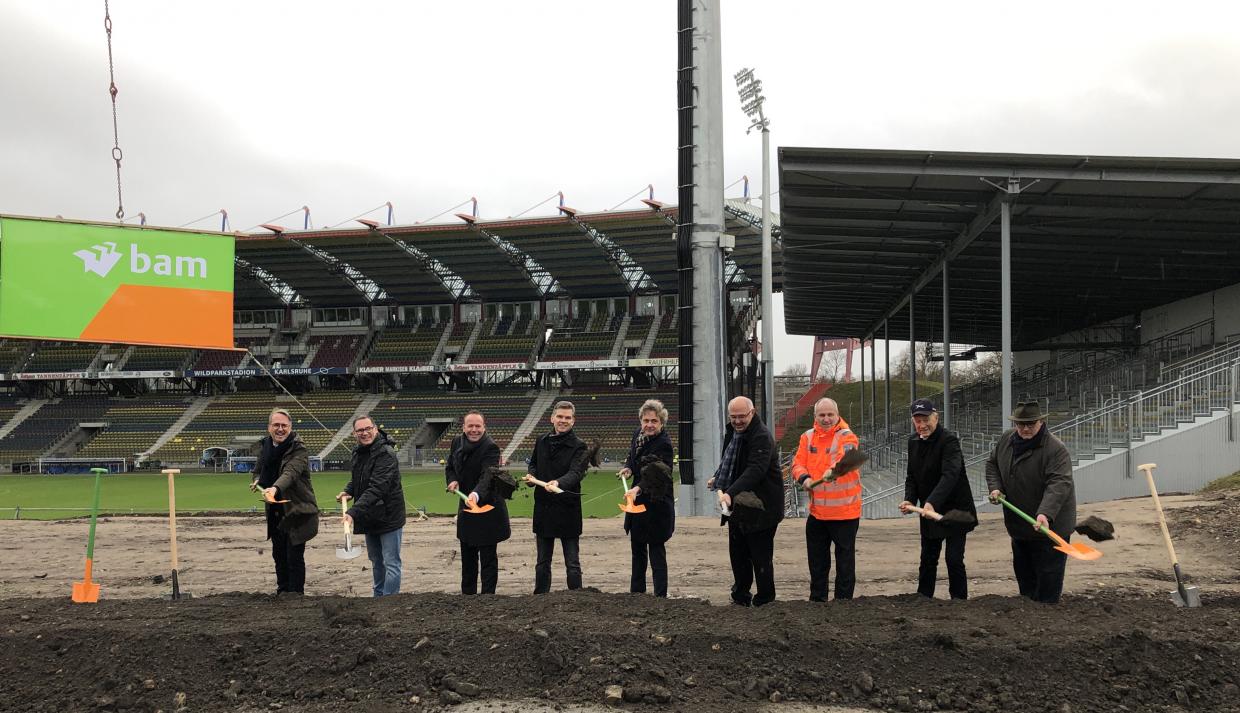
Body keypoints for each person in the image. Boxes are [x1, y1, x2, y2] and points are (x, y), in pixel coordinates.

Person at [985, 401, 1076, 604]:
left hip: (1051, 529)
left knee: (1047, 583)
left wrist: (1045, 513)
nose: (1025, 428)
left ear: (1041, 422)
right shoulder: (1007, 439)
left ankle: (1046, 617)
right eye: (1021, 424)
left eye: (1030, 424)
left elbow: (1059, 484)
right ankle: (1028, 613)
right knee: (1025, 581)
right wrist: (995, 487)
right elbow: (992, 464)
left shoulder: (1055, 449)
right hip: (1020, 525)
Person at [709, 396, 784, 607]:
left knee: (760, 556)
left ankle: (765, 600)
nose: (738, 421)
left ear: (752, 413)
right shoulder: (733, 432)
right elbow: (729, 460)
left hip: (762, 506)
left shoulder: (761, 436)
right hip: (739, 508)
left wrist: (730, 493)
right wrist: (718, 476)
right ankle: (740, 596)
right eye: (734, 417)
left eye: (742, 416)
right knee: (738, 554)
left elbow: (755, 470)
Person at [899, 398, 977, 600]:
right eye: (917, 421)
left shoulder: (949, 441)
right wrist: (909, 500)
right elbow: (911, 476)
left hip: (955, 510)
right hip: (928, 511)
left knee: (953, 559)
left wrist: (932, 502)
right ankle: (924, 598)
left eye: (926, 419)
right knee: (927, 558)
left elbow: (950, 475)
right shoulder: (913, 441)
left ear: (936, 417)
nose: (922, 425)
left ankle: (959, 600)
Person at [791, 397, 862, 601]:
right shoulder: (807, 437)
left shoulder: (847, 436)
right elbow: (798, 463)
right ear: (815, 417)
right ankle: (818, 600)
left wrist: (835, 469)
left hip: (845, 513)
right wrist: (804, 478)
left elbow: (847, 458)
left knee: (845, 563)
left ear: (837, 415)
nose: (826, 419)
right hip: (818, 513)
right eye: (822, 415)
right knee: (817, 561)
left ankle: (843, 602)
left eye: (830, 414)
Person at [249, 408, 319, 595]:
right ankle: (282, 593)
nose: (280, 429)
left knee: (294, 556)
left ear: (290, 427)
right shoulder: (265, 446)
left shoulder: (299, 448)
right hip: (275, 510)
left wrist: (275, 488)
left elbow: (290, 473)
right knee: (278, 554)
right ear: (269, 427)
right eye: (276, 425)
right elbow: (258, 470)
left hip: (297, 510)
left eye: (284, 426)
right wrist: (257, 480)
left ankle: (296, 596)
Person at [337, 415, 407, 597]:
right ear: (354, 433)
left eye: (368, 428)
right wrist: (348, 491)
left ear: (375, 429)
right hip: (370, 515)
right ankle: (378, 597)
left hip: (389, 515)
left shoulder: (386, 454)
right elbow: (358, 478)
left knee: (391, 562)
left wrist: (353, 512)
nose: (364, 433)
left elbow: (377, 487)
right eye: (360, 430)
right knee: (376, 561)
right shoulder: (358, 452)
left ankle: (389, 600)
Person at [523, 400, 589, 594]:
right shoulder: (541, 440)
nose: (563, 420)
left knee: (572, 562)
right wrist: (531, 477)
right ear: (552, 418)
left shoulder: (579, 446)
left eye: (567, 418)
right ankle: (541, 597)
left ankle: (576, 598)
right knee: (542, 561)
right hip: (544, 507)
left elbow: (576, 473)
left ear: (573, 421)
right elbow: (533, 464)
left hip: (568, 508)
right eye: (560, 417)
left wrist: (558, 483)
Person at [446, 411, 509, 595]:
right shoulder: (457, 442)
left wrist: (475, 494)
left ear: (484, 427)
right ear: (464, 427)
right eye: (470, 426)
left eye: (478, 426)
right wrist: (452, 480)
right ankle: (468, 596)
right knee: (467, 555)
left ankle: (487, 598)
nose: (474, 430)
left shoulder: (491, 447)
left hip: (487, 508)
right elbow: (450, 466)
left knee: (488, 558)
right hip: (466, 508)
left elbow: (487, 476)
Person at [617, 399, 675, 597]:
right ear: (641, 420)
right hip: (638, 504)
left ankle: (660, 596)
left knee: (656, 551)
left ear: (661, 423)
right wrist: (628, 467)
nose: (649, 425)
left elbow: (656, 475)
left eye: (654, 421)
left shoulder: (664, 445)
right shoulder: (638, 435)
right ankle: (637, 594)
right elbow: (633, 457)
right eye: (646, 420)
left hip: (657, 504)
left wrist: (637, 489)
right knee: (638, 550)